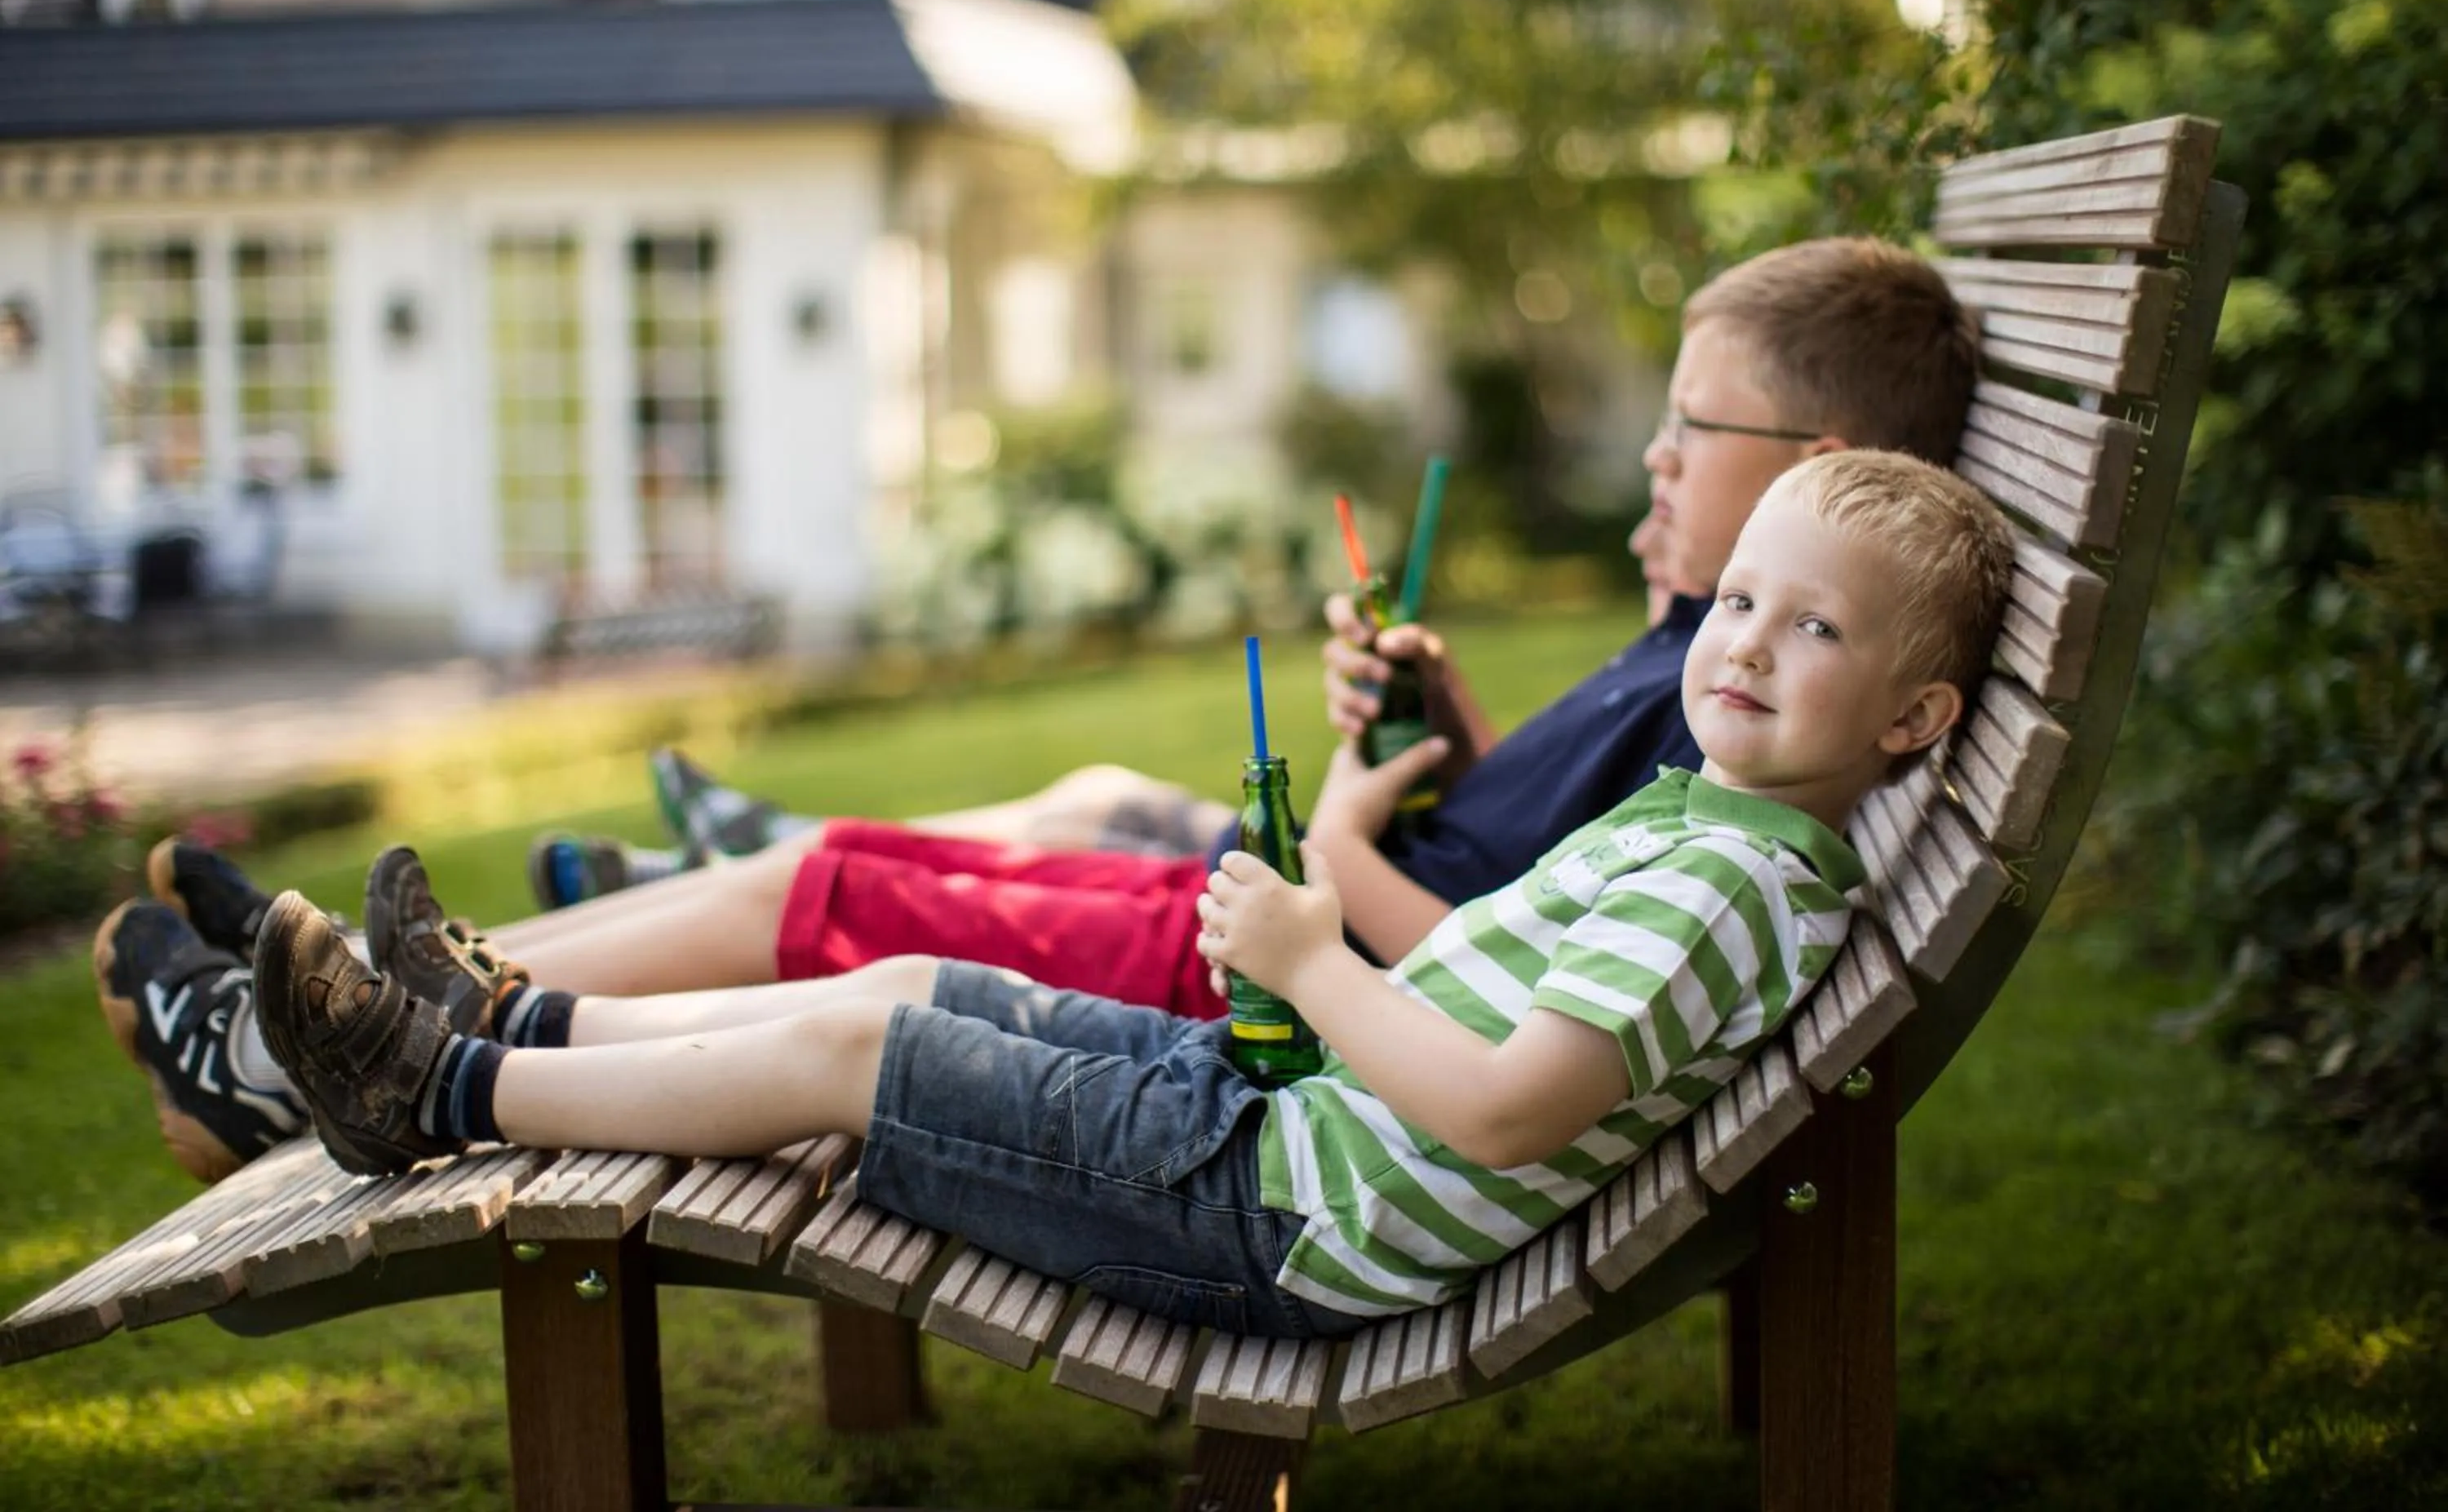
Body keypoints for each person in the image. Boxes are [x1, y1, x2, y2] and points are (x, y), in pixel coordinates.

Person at [95, 235, 1982, 1182]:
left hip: (1260, 979)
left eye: (1691, 431)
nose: (1653, 456)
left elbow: (1504, 956)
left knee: (826, 896)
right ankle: (377, 1012)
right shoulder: (1726, 649)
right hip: (1287, 932)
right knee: (844, 889)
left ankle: (292, 1056)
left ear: (1814, 457)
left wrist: (1331, 843)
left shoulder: (1726, 703)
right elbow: (1536, 868)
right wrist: (1440, 732)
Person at [245, 451, 2015, 1337]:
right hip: (1270, 1134)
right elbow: (1476, 964)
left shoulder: (1725, 884)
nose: (1750, 645)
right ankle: (513, 1020)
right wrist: (1339, 881)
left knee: (869, 1040)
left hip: (1277, 1212)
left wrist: (1313, 957)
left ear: (1919, 718)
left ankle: (437, 1087)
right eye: (1742, 602)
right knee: (918, 984)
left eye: (1818, 626)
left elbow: (1504, 1102)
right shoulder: (1713, 834)